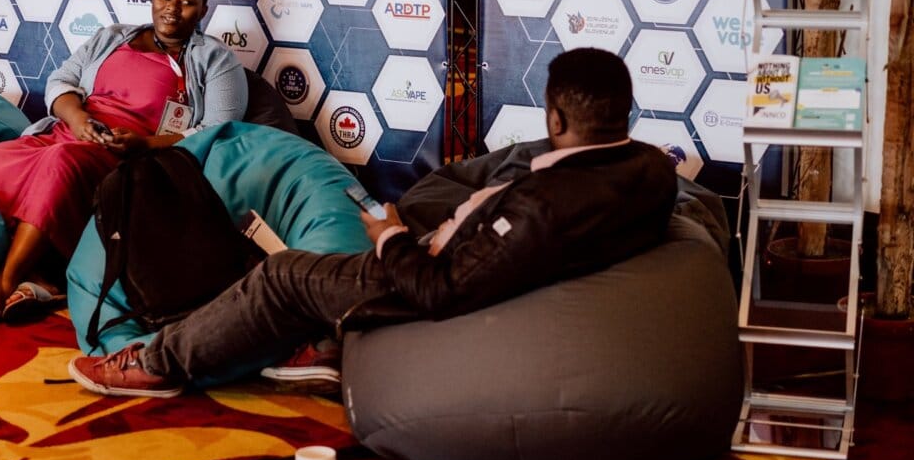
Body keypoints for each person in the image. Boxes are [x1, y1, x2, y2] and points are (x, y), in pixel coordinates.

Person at [67, 47, 678, 398]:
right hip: (467, 243)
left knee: (285, 274)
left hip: (418, 279)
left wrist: (390, 240)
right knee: (423, 199)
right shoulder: (649, 168)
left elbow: (442, 290)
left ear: (553, 117)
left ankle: (157, 364)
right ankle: (319, 339)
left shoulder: (542, 209)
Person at [0, 0, 248, 330]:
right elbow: (62, 81)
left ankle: (1, 285)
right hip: (71, 132)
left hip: (125, 154)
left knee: (60, 165)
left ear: (203, 10)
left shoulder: (214, 58)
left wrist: (144, 144)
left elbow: (221, 126)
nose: (172, 8)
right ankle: (43, 275)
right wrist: (78, 121)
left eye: (187, 2)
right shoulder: (112, 37)